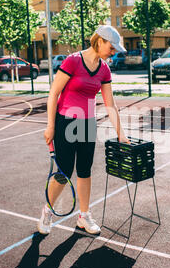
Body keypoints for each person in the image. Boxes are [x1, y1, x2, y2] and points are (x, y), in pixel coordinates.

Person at [38, 25, 130, 235]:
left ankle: (84, 216)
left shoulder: (104, 69)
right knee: (64, 173)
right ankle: (47, 211)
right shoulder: (72, 61)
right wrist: (50, 126)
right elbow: (53, 94)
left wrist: (121, 134)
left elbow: (110, 104)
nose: (113, 52)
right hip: (65, 123)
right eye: (111, 47)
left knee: (85, 170)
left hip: (88, 123)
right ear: (100, 41)